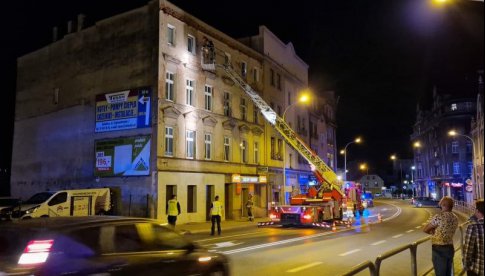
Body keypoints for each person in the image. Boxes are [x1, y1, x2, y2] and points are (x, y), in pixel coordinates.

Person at [423, 196, 458, 276]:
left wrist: (432, 231)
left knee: (440, 273)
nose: (440, 206)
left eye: (441, 204)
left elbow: (425, 229)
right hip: (450, 247)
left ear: (444, 205)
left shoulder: (439, 217)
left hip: (439, 249)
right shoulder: (455, 217)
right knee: (448, 272)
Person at [462, 199, 484, 276]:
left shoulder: (473, 226)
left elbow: (468, 250)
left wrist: (465, 266)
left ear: (477, 210)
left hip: (478, 269)